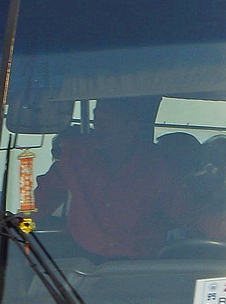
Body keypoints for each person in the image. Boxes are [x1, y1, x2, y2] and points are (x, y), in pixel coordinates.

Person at [34, 97, 192, 259]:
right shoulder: (75, 154)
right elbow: (40, 202)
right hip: (84, 264)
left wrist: (218, 230)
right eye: (97, 116)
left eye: (109, 117)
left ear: (132, 125)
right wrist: (19, 226)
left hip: (140, 266)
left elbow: (185, 213)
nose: (99, 124)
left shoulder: (158, 165)